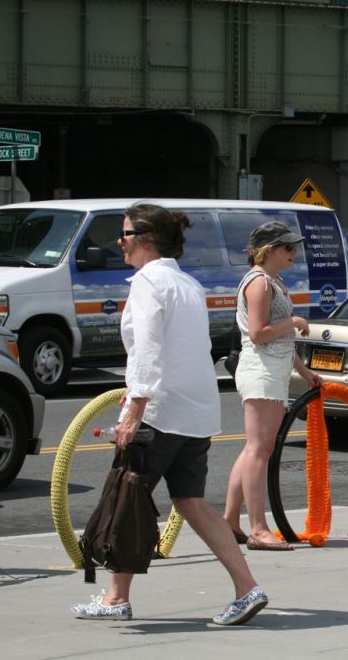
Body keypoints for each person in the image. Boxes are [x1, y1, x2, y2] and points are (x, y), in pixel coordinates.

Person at [71, 203, 267, 626]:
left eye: (123, 234)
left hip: (159, 413)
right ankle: (247, 588)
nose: (118, 243)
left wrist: (134, 411)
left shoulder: (148, 283)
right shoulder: (186, 284)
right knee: (191, 503)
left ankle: (115, 599)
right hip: (195, 412)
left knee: (128, 499)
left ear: (145, 238)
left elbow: (148, 350)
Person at [223, 221, 323, 551]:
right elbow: (258, 332)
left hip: (273, 370)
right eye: (288, 248)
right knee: (259, 450)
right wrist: (293, 322)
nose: (294, 254)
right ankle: (258, 529)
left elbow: (279, 338)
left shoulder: (273, 281)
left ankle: (230, 521)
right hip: (260, 370)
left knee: (255, 448)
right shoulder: (259, 284)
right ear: (269, 251)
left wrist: (303, 371)